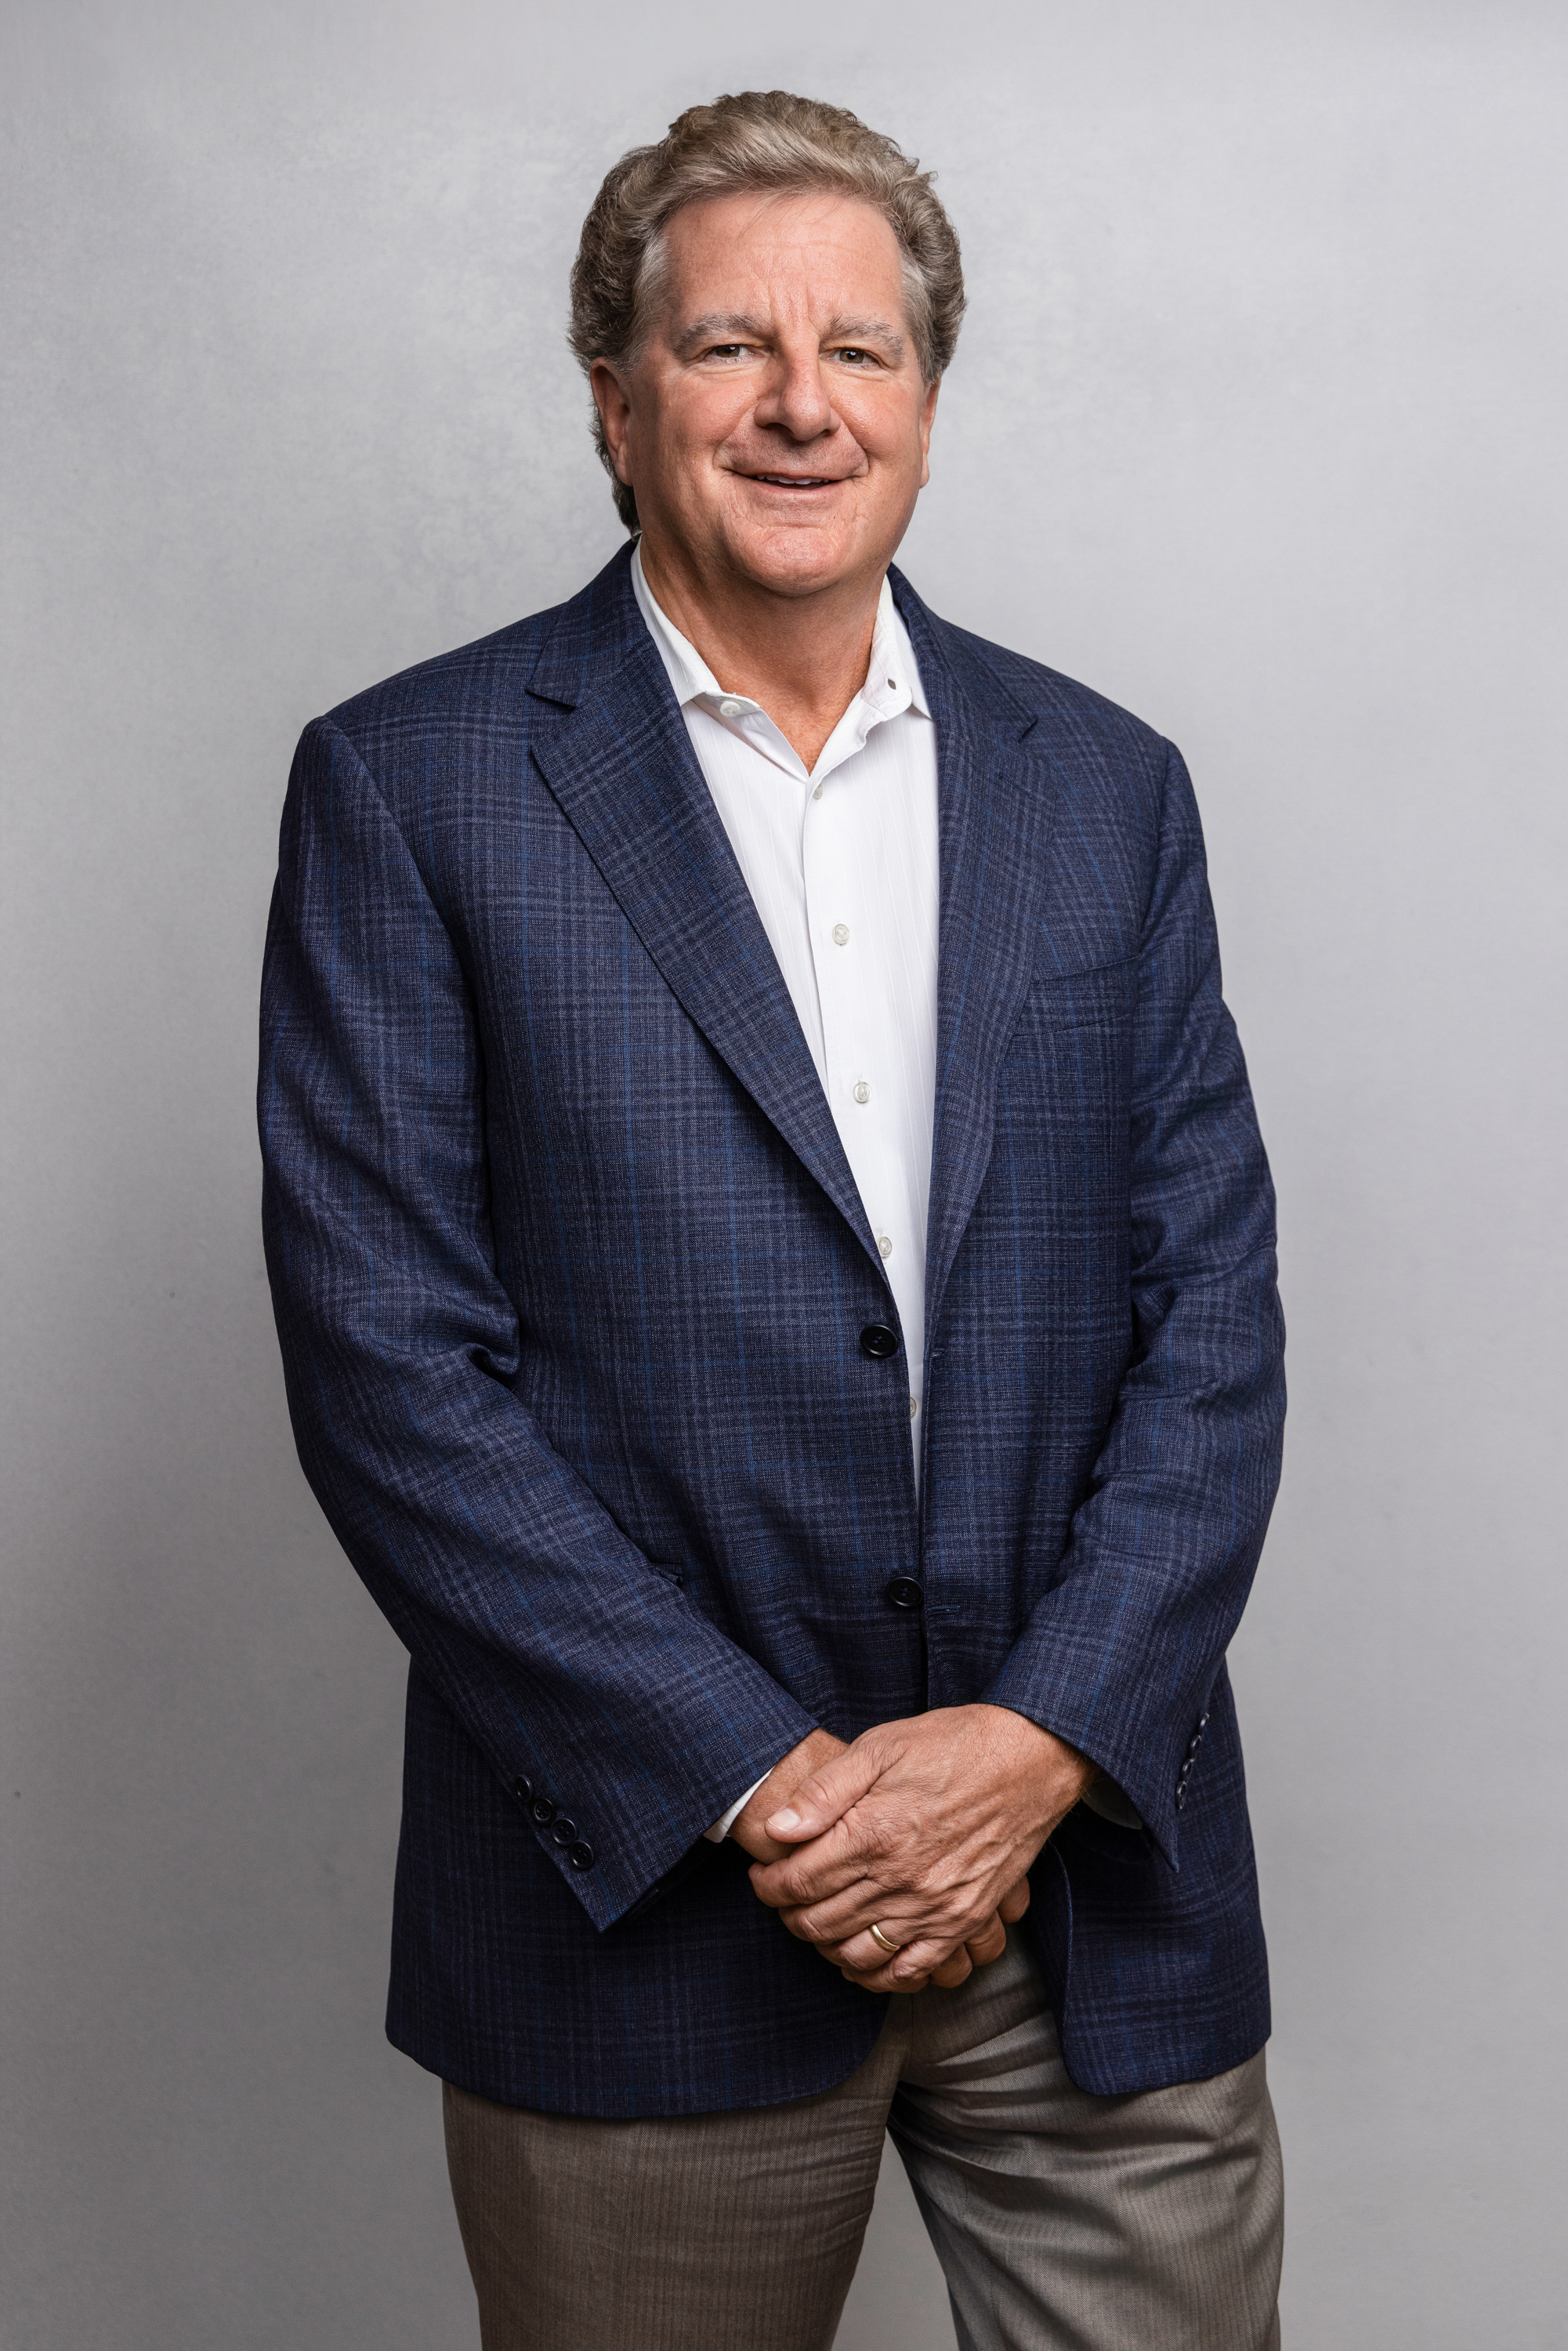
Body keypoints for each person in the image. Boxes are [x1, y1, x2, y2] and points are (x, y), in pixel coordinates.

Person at [259, 88, 1286, 2351]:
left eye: (861, 350)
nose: (802, 405)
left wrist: (1035, 1745)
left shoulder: (1105, 788)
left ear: (925, 399)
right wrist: (774, 1787)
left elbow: (1212, 1323)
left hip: (1092, 1889)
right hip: (651, 1910)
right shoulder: (412, 788)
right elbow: (390, 1375)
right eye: (730, 346)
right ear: (615, 400)